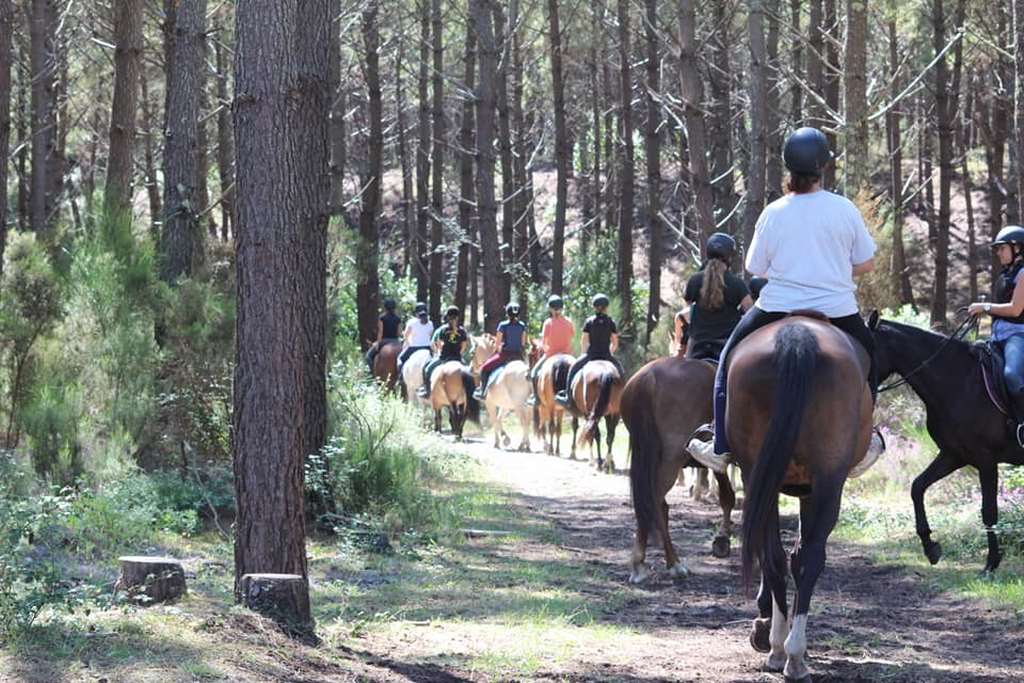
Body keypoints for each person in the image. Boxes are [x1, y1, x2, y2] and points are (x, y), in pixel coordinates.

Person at [688, 126, 880, 461]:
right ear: (823, 167)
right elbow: (867, 263)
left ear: (789, 168)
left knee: (727, 363)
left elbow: (755, 267)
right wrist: (831, 271)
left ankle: (720, 442)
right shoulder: (844, 208)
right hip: (837, 309)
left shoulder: (773, 212)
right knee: (874, 360)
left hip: (777, 306)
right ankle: (863, 442)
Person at [968, 225, 1024, 445]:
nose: (998, 253)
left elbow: (1015, 310)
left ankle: (1022, 424)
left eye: (1002, 248)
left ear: (1017, 248)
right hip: (997, 336)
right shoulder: (1005, 275)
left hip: (1017, 336)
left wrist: (985, 307)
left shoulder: (1023, 273)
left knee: (1012, 376)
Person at [673, 233, 754, 362]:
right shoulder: (737, 283)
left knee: (682, 367)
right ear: (730, 257)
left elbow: (687, 310)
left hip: (697, 341)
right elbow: (749, 311)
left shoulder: (694, 280)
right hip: (727, 342)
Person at [555, 294, 624, 412]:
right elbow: (615, 342)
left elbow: (584, 341)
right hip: (606, 355)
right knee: (621, 372)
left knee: (573, 370)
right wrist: (610, 352)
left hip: (591, 355)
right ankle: (624, 397)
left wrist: (584, 353)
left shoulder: (589, 321)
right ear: (606, 307)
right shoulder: (611, 322)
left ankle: (567, 397)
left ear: (594, 307)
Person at [526, 295, 576, 406]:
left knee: (534, 373)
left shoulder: (548, 323)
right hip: (567, 354)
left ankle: (536, 398)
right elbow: (572, 337)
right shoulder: (569, 321)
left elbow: (544, 343)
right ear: (562, 308)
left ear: (550, 309)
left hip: (551, 354)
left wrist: (546, 349)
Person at [474, 302, 527, 400]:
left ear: (507, 313)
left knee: (484, 368)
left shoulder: (503, 325)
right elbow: (523, 343)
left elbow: (497, 344)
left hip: (505, 355)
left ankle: (483, 392)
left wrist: (495, 352)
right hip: (518, 356)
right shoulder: (522, 325)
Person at [417, 306, 469, 398]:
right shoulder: (462, 331)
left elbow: (439, 344)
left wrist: (440, 352)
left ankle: (427, 390)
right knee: (469, 372)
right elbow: (464, 345)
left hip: (444, 357)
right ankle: (471, 392)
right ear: (457, 317)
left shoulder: (443, 330)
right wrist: (459, 353)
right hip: (457, 357)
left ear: (447, 317)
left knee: (427, 369)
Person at [397, 302, 434, 380]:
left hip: (414, 348)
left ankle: (400, 377)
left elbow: (406, 335)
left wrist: (407, 343)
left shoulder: (411, 322)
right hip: (427, 348)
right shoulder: (430, 323)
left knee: (400, 359)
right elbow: (430, 336)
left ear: (416, 313)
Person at [365, 299, 403, 373]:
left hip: (385, 341)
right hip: (395, 341)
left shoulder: (382, 318)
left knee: (368, 356)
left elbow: (380, 332)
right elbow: (398, 333)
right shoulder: (397, 319)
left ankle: (372, 373)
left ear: (385, 307)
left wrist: (378, 343)